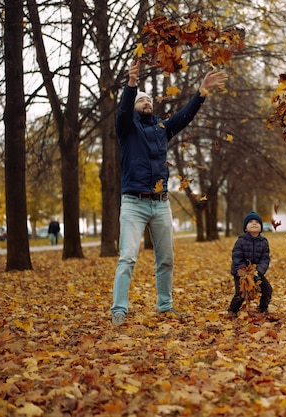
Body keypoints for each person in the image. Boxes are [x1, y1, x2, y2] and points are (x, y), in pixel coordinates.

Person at [110, 60, 229, 326]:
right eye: (142, 100)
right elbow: (123, 111)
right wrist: (132, 85)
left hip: (160, 204)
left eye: (150, 100)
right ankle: (119, 309)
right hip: (133, 203)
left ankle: (165, 306)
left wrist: (201, 92)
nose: (147, 103)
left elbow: (184, 116)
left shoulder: (162, 129)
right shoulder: (127, 129)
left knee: (166, 259)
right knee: (128, 257)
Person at [228, 211, 273, 316]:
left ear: (261, 227)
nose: (254, 223)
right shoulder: (241, 241)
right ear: (245, 228)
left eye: (257, 222)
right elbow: (237, 257)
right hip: (241, 272)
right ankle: (232, 310)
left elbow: (265, 259)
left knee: (267, 289)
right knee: (241, 293)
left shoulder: (264, 242)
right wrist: (244, 272)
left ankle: (263, 308)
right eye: (251, 222)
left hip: (257, 272)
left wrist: (258, 272)